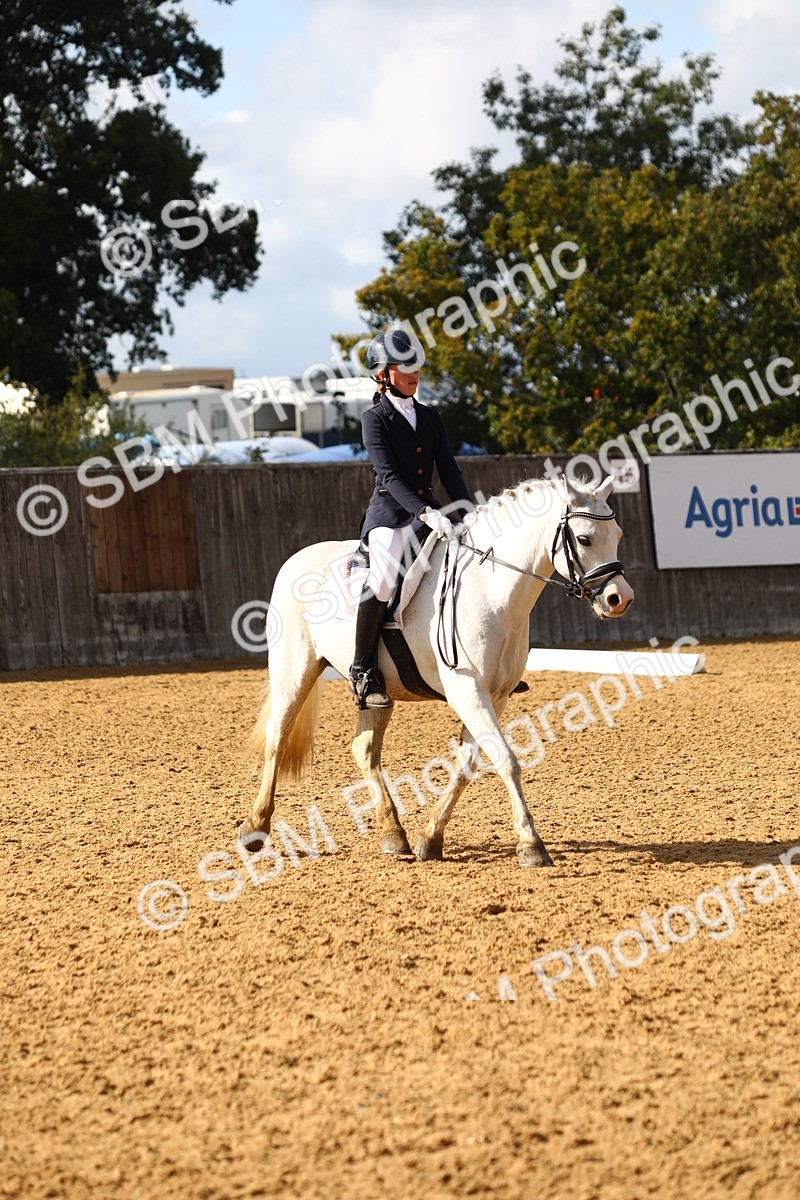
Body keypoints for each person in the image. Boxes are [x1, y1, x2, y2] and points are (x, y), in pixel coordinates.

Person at [348, 327, 473, 709]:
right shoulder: (375, 419)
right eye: (405, 367)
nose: (414, 373)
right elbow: (388, 476)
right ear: (383, 373)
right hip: (391, 515)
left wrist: (468, 512)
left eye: (416, 365)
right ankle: (362, 669)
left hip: (429, 513)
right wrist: (423, 510)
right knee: (385, 579)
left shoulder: (431, 417)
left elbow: (449, 471)